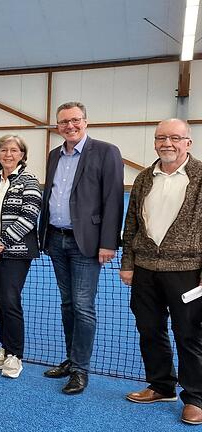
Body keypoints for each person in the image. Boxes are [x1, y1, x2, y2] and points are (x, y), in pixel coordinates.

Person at [120, 119, 202, 425]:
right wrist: (128, 262)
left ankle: (195, 397)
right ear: (155, 142)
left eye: (175, 138)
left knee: (189, 334)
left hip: (187, 270)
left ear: (188, 143)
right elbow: (131, 226)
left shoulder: (200, 175)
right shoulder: (143, 178)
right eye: (161, 138)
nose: (167, 143)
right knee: (149, 329)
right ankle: (161, 385)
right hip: (145, 270)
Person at [38, 101, 124, 394]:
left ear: (85, 121)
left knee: (83, 306)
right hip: (56, 239)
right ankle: (71, 359)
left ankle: (80, 370)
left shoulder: (106, 151)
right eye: (63, 122)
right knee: (67, 304)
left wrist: (108, 242)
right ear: (58, 126)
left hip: (86, 243)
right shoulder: (53, 155)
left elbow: (113, 199)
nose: (70, 126)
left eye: (75, 120)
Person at [0, 134, 41, 378]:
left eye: (14, 150)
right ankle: (5, 346)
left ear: (22, 155)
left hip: (16, 254)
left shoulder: (30, 183)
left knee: (10, 300)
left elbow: (29, 216)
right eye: (3, 150)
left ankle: (15, 355)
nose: (8, 154)